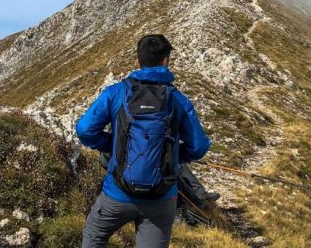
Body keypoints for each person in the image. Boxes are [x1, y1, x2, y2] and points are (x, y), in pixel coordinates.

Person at [76, 34, 211, 248]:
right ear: (166, 61)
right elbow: (198, 147)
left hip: (117, 194)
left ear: (138, 60)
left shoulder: (116, 93)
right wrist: (172, 157)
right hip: (161, 198)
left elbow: (84, 130)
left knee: (94, 236)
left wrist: (111, 145)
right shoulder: (178, 100)